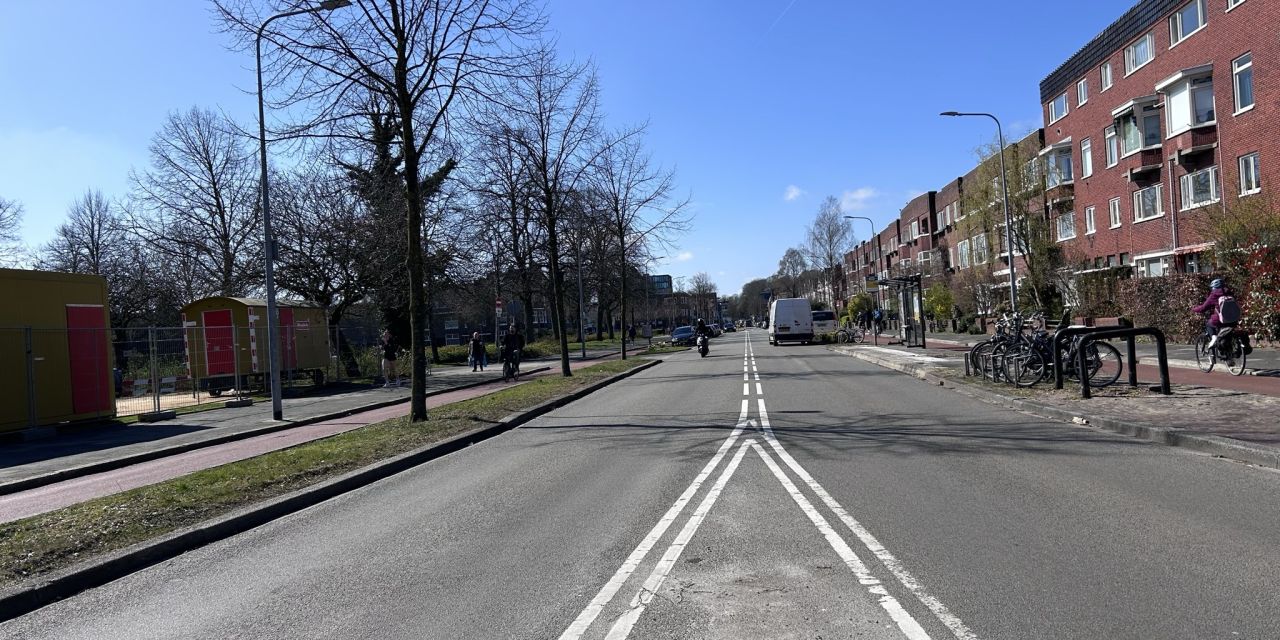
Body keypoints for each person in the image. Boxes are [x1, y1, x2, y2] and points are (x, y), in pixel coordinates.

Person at [1192, 278, 1237, 350]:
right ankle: (1229, 356)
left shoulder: (1214, 294)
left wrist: (1193, 309)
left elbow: (1203, 307)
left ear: (1214, 287)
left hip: (1220, 320)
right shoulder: (1230, 293)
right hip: (1233, 319)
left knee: (1209, 324)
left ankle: (1213, 338)